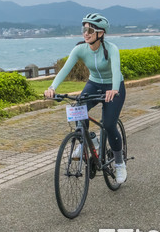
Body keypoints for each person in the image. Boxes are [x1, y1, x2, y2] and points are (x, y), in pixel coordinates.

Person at [44, 13, 127, 183]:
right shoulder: (80, 49)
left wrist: (113, 89)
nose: (86, 33)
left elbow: (116, 71)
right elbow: (64, 70)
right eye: (84, 29)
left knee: (109, 124)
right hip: (94, 83)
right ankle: (87, 141)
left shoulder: (112, 49)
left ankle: (119, 163)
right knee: (77, 108)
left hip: (114, 87)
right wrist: (52, 87)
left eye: (90, 30)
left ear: (101, 33)